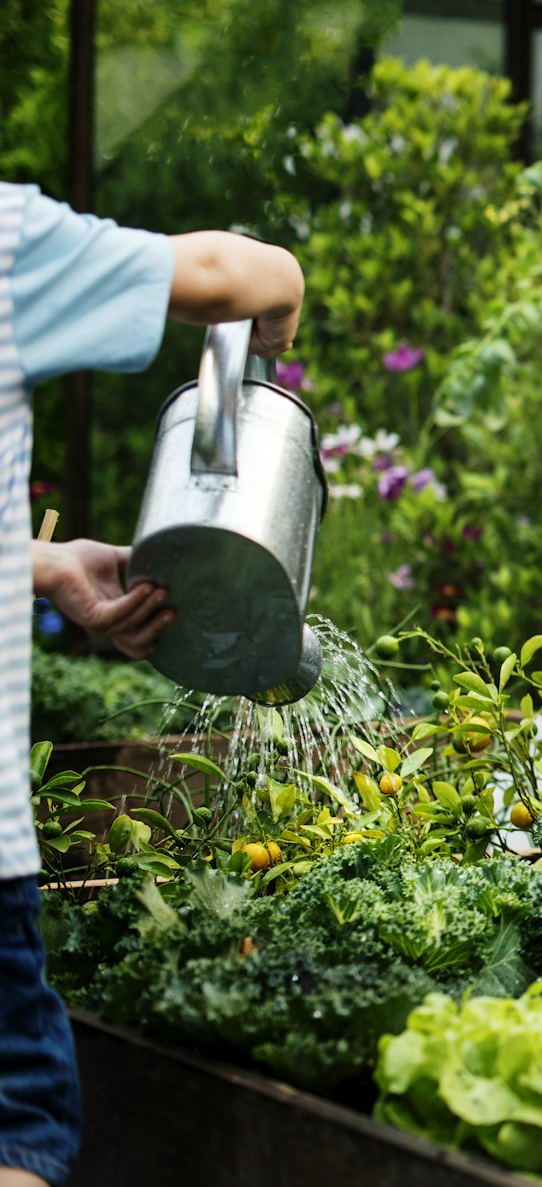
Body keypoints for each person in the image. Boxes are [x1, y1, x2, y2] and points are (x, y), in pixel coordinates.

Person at [3, 180, 304, 1187]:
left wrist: (45, 568)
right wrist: (281, 280)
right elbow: (228, 274)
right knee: (18, 1117)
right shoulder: (10, 240)